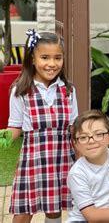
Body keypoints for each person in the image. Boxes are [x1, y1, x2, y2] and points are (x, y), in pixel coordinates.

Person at [0, 30, 77, 223]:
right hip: (32, 162)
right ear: (32, 59)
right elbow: (15, 127)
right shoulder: (20, 90)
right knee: (24, 212)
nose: (52, 64)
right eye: (45, 57)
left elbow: (74, 128)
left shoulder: (68, 90)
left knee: (54, 209)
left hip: (62, 160)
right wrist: (4, 137)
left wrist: (87, 159)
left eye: (57, 57)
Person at [66, 110, 109, 222]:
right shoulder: (78, 173)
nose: (91, 141)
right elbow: (92, 216)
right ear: (76, 144)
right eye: (83, 137)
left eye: (98, 134)